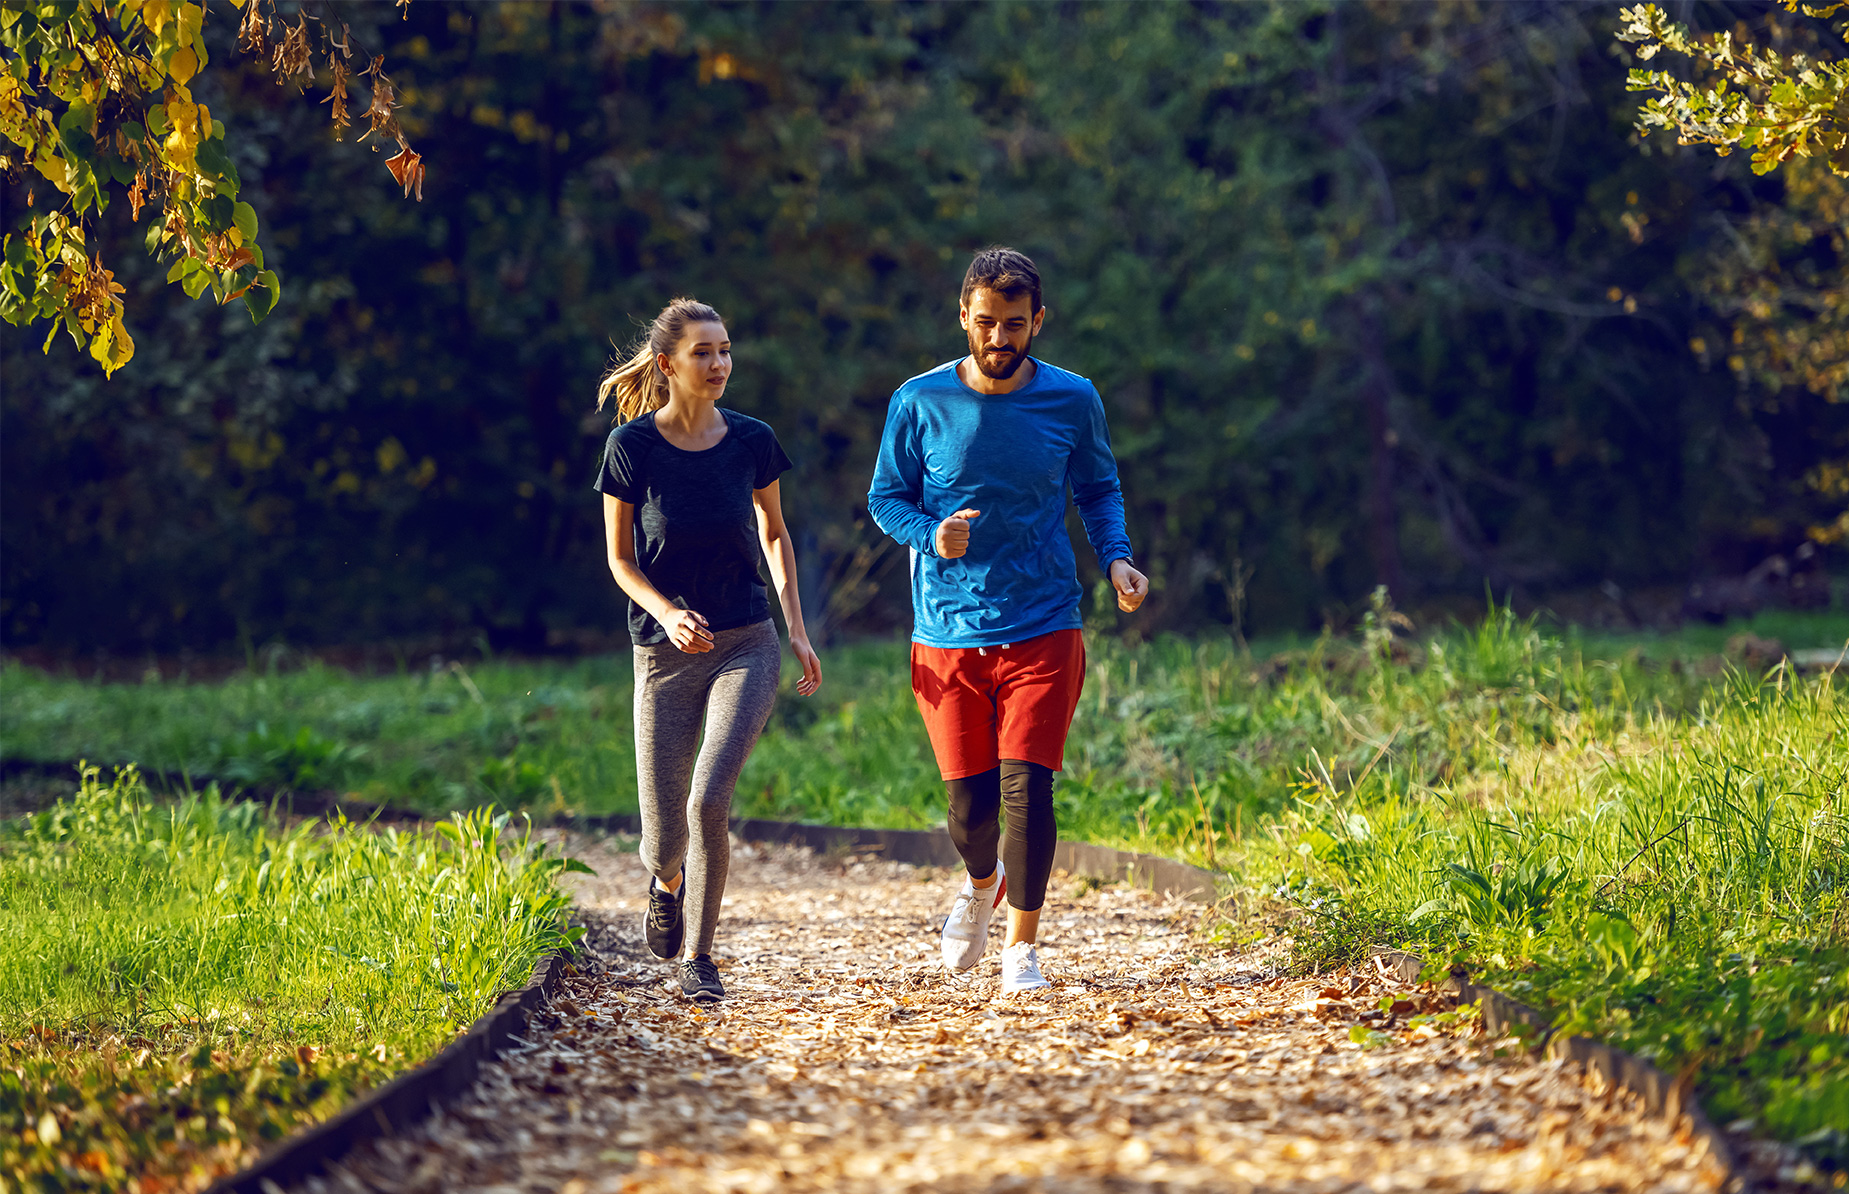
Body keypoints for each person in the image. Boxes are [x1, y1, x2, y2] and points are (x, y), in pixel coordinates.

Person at [867, 247, 1147, 995]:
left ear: (1037, 323)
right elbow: (887, 498)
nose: (999, 338)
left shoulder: (1071, 398)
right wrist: (932, 535)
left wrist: (1116, 558)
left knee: (1030, 787)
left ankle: (1022, 948)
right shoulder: (918, 401)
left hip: (1044, 619)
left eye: (1014, 325)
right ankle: (981, 880)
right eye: (985, 322)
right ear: (962, 316)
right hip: (947, 632)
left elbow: (1097, 487)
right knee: (969, 811)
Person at [595, 297, 823, 1002]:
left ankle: (700, 956)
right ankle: (666, 883)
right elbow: (619, 559)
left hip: (745, 642)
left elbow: (776, 533)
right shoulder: (631, 448)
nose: (720, 363)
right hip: (663, 655)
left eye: (725, 349)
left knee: (707, 800)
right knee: (664, 840)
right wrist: (666, 614)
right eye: (704, 352)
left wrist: (796, 626)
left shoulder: (752, 441)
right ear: (667, 364)